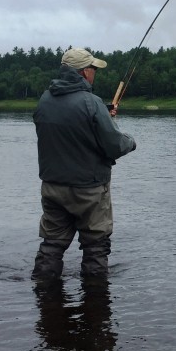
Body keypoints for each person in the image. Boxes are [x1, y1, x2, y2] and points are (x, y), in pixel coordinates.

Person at [31, 47, 137, 281]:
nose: (94, 74)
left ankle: (43, 294)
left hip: (52, 187)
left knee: (52, 244)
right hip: (89, 189)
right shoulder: (92, 102)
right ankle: (96, 302)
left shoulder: (45, 99)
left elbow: (70, 125)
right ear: (84, 72)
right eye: (93, 69)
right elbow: (114, 145)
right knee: (95, 246)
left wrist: (102, 115)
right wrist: (130, 141)